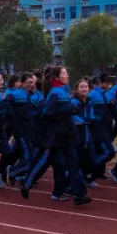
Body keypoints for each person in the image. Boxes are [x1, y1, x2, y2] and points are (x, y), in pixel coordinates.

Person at [20, 67, 90, 206]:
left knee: (73, 164)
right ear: (57, 77)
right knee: (44, 161)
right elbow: (47, 112)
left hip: (68, 133)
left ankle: (80, 195)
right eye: (64, 73)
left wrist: (70, 110)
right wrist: (68, 109)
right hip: (56, 135)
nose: (67, 75)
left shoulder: (62, 90)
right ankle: (26, 184)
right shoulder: (55, 92)